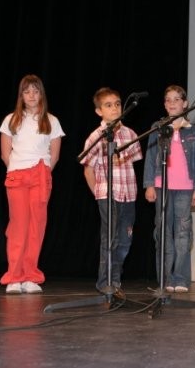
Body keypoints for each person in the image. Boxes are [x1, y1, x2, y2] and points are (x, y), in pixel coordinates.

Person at [0, 74, 65, 294]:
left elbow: (54, 156)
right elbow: (5, 153)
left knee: (36, 226)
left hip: (40, 175)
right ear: (21, 95)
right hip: (18, 175)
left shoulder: (51, 121)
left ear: (41, 94)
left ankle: (30, 276)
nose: (31, 95)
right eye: (27, 91)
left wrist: (42, 173)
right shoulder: (11, 119)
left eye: (35, 91)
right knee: (19, 226)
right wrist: (19, 168)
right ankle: (14, 276)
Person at [80, 87, 143, 294]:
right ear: (99, 111)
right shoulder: (95, 137)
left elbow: (132, 164)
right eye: (108, 105)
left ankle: (115, 281)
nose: (115, 108)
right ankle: (106, 283)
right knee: (110, 239)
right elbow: (88, 170)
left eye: (117, 103)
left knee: (125, 240)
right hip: (108, 195)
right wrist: (99, 193)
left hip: (129, 194)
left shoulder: (130, 134)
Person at [143, 85, 195, 293]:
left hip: (185, 188)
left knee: (183, 234)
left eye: (177, 99)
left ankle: (181, 278)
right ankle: (166, 278)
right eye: (168, 100)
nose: (172, 103)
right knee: (163, 232)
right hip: (162, 187)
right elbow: (151, 157)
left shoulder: (192, 129)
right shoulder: (157, 127)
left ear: (185, 103)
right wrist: (149, 184)